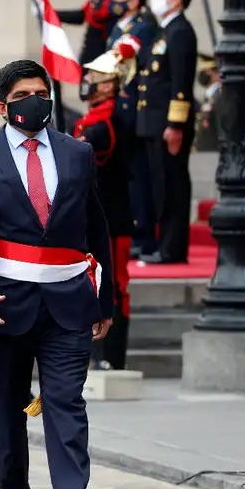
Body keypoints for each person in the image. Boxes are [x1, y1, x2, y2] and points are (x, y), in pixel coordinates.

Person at [0, 59, 120, 489]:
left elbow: (97, 229)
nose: (36, 100)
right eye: (24, 93)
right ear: (3, 105)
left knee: (66, 400)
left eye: (42, 92)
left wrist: (105, 300)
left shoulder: (77, 153)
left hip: (69, 301)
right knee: (9, 405)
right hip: (4, 303)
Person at [76, 51, 135, 370]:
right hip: (94, 217)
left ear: (109, 84)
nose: (86, 82)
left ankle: (112, 356)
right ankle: (96, 353)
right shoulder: (92, 119)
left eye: (93, 77)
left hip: (112, 216)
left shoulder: (109, 120)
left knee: (113, 284)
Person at [136, 0, 199, 265]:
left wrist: (175, 125)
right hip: (154, 123)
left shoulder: (181, 31)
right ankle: (165, 245)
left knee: (172, 186)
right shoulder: (167, 31)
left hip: (168, 125)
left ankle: (173, 249)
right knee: (161, 187)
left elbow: (180, 84)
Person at [104, 0, 159, 258]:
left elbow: (126, 55)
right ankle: (130, 231)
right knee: (124, 176)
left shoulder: (142, 26)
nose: (115, 1)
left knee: (139, 175)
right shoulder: (119, 26)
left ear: (136, 0)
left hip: (133, 108)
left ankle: (145, 234)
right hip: (117, 107)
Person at [54, 0, 117, 80]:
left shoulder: (116, 1)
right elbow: (81, 16)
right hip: (91, 51)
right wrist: (52, 13)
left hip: (104, 51)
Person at [194, 53, 221, 152]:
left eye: (206, 71)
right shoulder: (209, 95)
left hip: (214, 149)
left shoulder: (219, 95)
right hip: (205, 149)